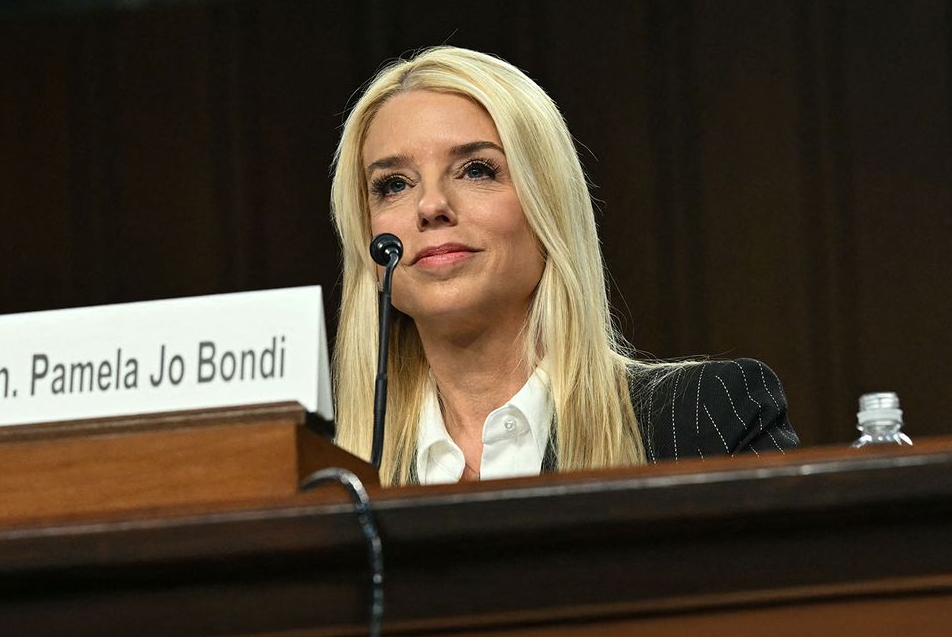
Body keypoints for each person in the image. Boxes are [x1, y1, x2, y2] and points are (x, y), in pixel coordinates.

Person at [329, 46, 799, 485]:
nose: (431, 206)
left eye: (477, 170)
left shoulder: (707, 418)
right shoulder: (329, 480)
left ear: (548, 204)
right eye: (393, 184)